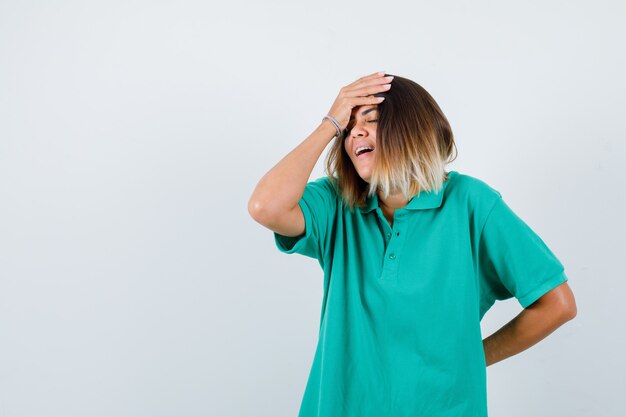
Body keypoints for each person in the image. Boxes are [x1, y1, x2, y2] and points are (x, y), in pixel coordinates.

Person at [247, 71, 577, 416]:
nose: (354, 132)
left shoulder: (471, 203)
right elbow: (264, 207)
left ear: (411, 130)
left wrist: (475, 357)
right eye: (348, 127)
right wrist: (329, 122)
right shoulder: (336, 203)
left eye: (371, 120)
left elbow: (557, 304)